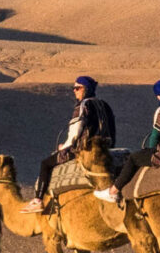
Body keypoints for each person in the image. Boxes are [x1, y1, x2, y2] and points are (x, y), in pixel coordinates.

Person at [34, 75, 116, 206]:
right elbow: (112, 129)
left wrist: (64, 147)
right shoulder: (104, 105)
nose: (74, 91)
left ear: (86, 89)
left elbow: (75, 132)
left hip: (84, 149)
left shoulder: (83, 105)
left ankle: (38, 200)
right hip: (106, 148)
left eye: (77, 88)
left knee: (45, 164)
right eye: (74, 88)